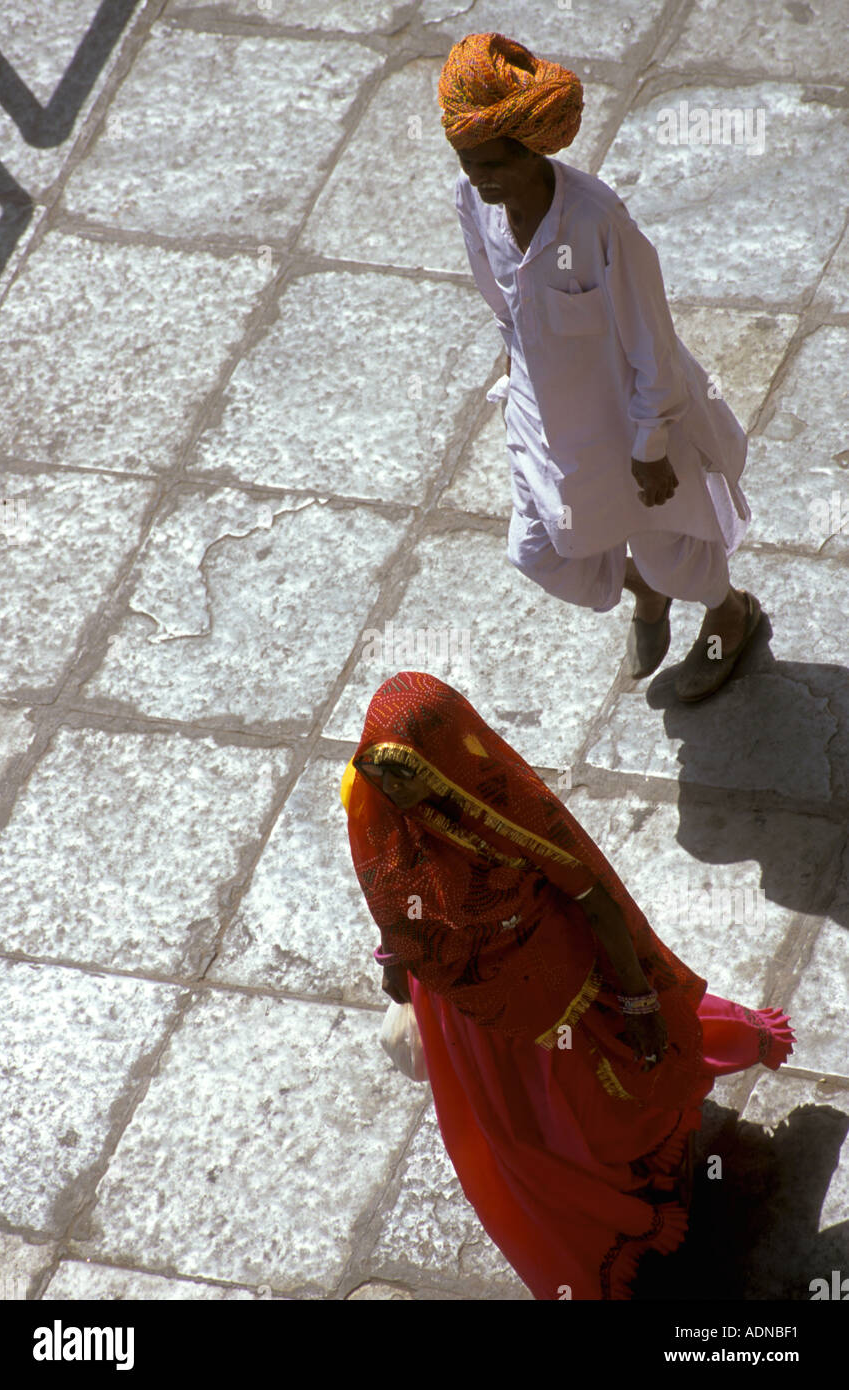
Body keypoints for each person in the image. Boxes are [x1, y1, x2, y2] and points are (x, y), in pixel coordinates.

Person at [340, 671, 794, 1300]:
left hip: (559, 1001)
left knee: (594, 1110)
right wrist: (397, 975)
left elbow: (597, 901)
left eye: (409, 774)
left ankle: (632, 1188)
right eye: (385, 774)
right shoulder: (369, 802)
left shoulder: (508, 807)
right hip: (468, 1021)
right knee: (522, 1135)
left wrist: (638, 1000)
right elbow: (389, 899)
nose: (394, 790)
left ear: (446, 761)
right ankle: (587, 1218)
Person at [438, 32, 763, 701]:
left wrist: (649, 446)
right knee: (541, 551)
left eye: (494, 162)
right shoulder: (475, 201)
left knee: (678, 557)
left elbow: (653, 343)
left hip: (628, 426)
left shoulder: (598, 222)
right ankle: (646, 592)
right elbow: (504, 304)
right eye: (469, 162)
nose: (480, 178)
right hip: (540, 417)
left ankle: (728, 617)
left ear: (533, 148)